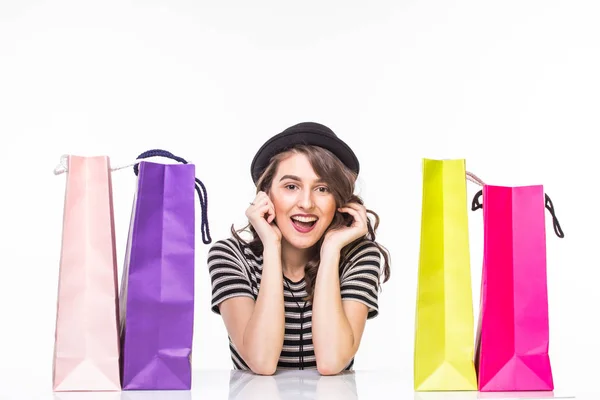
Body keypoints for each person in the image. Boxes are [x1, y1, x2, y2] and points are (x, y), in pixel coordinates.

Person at [208, 122, 391, 376]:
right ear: (266, 195)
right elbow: (261, 361)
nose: (306, 203)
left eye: (323, 189)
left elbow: (332, 362)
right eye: (291, 187)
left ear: (339, 200)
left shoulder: (358, 257)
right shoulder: (230, 256)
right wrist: (272, 247)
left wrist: (330, 251)